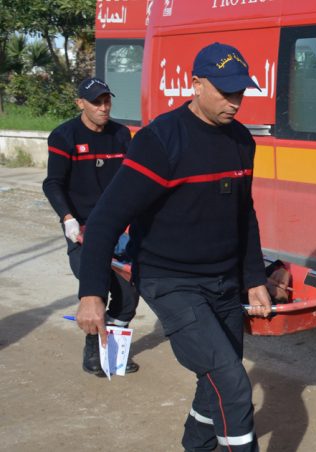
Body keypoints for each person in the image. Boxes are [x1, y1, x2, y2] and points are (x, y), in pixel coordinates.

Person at [75, 42, 272, 451]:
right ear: (196, 84)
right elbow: (105, 221)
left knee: (218, 375)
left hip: (223, 280)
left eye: (240, 92)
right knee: (234, 385)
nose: (235, 103)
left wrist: (254, 277)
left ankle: (196, 445)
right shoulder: (160, 141)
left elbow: (244, 213)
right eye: (225, 92)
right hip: (171, 280)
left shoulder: (241, 141)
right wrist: (92, 294)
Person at [42, 77, 141, 377]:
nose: (103, 107)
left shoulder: (122, 135)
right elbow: (53, 183)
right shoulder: (64, 136)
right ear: (80, 103)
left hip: (118, 230)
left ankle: (109, 351)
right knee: (97, 290)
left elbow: (134, 180)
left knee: (128, 296)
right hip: (82, 230)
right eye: (96, 102)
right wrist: (67, 219)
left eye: (107, 100)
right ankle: (93, 349)